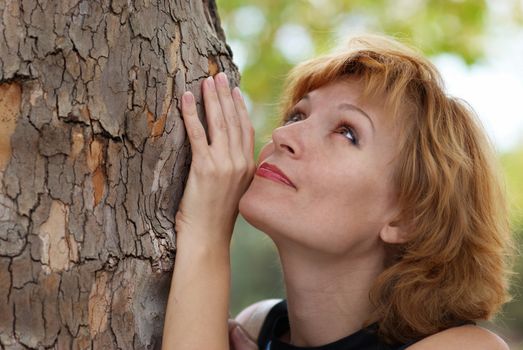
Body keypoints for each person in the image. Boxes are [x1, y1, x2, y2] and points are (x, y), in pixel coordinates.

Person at [161, 35, 513, 350]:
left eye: (347, 132)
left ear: (409, 215)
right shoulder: (257, 327)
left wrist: (206, 232)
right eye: (298, 116)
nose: (284, 136)